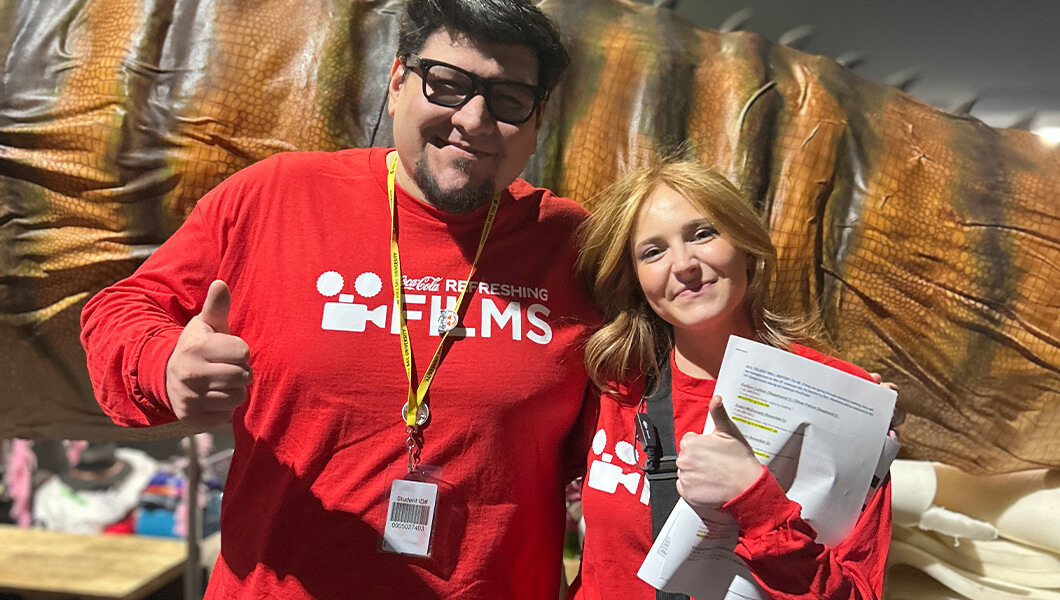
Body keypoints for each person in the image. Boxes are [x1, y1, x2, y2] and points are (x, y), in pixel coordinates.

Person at [80, 1, 599, 597]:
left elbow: (632, 436)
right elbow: (119, 310)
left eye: (509, 99)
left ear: (537, 118)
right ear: (398, 79)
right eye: (448, 85)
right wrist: (164, 363)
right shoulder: (276, 198)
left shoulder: (572, 246)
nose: (475, 120)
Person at [569, 161, 892, 600]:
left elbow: (856, 593)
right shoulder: (611, 384)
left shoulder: (840, 398)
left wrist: (754, 498)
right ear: (635, 279)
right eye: (653, 252)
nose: (683, 264)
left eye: (702, 233)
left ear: (744, 242)